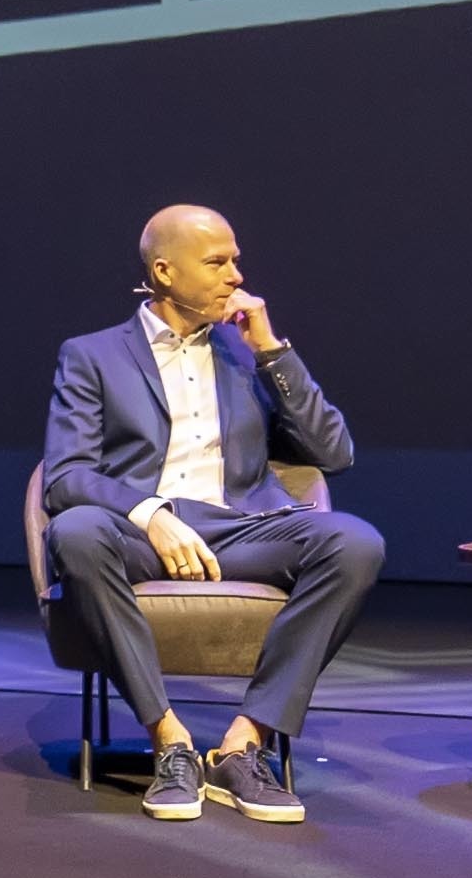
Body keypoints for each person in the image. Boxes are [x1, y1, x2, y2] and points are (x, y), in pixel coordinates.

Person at [39, 205, 386, 822]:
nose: (236, 275)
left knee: (356, 542)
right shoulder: (92, 355)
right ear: (164, 272)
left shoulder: (246, 353)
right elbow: (65, 477)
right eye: (217, 262)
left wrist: (272, 351)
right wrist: (150, 513)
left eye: (235, 260)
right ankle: (169, 740)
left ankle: (242, 746)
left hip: (244, 529)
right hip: (142, 535)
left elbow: (335, 453)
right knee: (76, 530)